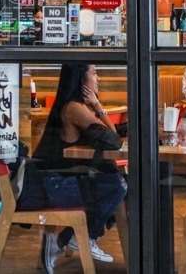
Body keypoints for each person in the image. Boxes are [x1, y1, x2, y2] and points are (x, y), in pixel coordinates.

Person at [20, 64, 128, 272]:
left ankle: (63, 240)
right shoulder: (74, 108)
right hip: (53, 187)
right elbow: (113, 139)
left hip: (55, 181)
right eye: (94, 73)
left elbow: (111, 136)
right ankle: (84, 237)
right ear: (80, 78)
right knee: (117, 185)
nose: (99, 78)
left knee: (116, 183)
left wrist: (96, 105)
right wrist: (97, 105)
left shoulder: (77, 106)